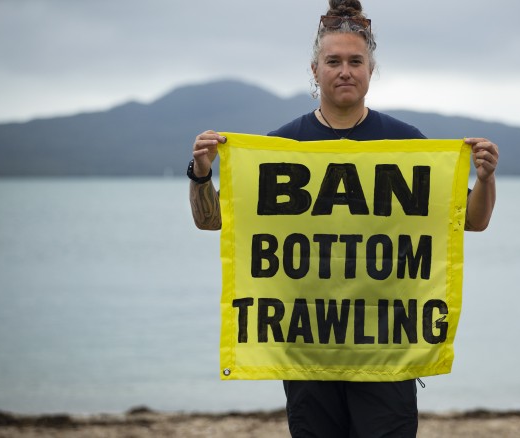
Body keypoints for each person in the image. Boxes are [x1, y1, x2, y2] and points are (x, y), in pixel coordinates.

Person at [188, 0, 498, 436]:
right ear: (314, 71)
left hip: (386, 346)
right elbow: (211, 222)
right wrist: (201, 172)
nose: (345, 70)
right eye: (333, 61)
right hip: (306, 346)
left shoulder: (405, 144)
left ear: (371, 71)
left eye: (356, 61)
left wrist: (485, 178)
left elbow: (473, 221)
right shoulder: (281, 147)